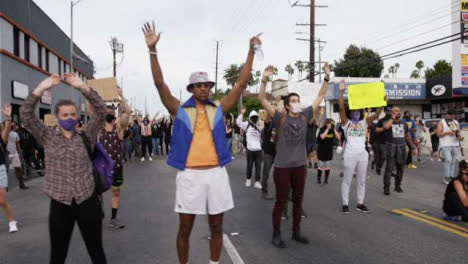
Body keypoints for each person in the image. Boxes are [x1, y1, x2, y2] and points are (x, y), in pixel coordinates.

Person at [142, 21, 258, 264]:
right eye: (199, 85)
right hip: (190, 177)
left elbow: (241, 84)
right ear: (191, 88)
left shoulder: (219, 108)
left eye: (207, 84)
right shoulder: (179, 109)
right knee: (185, 228)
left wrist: (250, 52)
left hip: (216, 174)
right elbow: (159, 84)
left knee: (217, 226)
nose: (204, 88)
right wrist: (152, 50)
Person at [21, 73, 107, 263]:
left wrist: (82, 87)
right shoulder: (47, 135)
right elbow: (26, 115)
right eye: (65, 115)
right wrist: (42, 87)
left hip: (87, 201)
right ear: (57, 117)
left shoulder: (87, 135)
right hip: (60, 204)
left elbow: (101, 112)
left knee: (97, 253)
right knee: (58, 256)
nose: (69, 118)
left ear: (77, 117)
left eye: (72, 114)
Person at [258, 63, 330, 248]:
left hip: (299, 166)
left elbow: (321, 96)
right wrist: (265, 79)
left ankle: (296, 232)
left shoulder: (306, 116)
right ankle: (276, 234)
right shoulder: (279, 117)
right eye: (294, 101)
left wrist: (327, 76)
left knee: (298, 200)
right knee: (280, 201)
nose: (297, 103)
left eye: (298, 100)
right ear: (287, 105)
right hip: (282, 166)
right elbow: (261, 99)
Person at [338, 80, 384, 214]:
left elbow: (376, 115)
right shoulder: (346, 123)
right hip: (350, 154)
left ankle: (360, 203)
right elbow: (341, 108)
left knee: (361, 180)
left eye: (359, 111)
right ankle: (345, 203)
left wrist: (382, 102)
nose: (357, 113)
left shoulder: (365, 122)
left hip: (363, 154)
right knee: (347, 180)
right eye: (354, 111)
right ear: (350, 112)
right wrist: (341, 92)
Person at [98, 88, 130, 229]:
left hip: (116, 167)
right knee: (97, 192)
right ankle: (98, 213)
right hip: (101, 168)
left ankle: (113, 218)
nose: (110, 113)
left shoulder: (119, 128)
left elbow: (127, 112)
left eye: (112, 111)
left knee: (115, 192)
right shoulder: (98, 129)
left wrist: (121, 96)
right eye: (107, 111)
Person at [378, 106, 415, 195]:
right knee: (389, 168)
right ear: (391, 113)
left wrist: (413, 147)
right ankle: (386, 188)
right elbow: (386, 127)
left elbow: (407, 136)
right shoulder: (388, 122)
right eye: (395, 111)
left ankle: (397, 186)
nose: (397, 112)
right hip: (391, 148)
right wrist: (392, 118)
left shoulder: (404, 123)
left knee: (400, 168)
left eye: (398, 111)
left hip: (402, 148)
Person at [0, 104, 18, 233]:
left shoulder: (1, 139)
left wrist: (8, 119)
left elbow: (5, 133)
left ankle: (12, 221)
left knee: (1, 200)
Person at [237, 107, 263, 189]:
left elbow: (265, 129)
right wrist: (242, 113)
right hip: (250, 150)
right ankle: (248, 179)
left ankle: (257, 181)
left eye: (256, 117)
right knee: (249, 165)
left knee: (258, 166)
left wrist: (263, 118)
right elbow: (238, 122)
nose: (254, 119)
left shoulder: (259, 126)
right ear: (250, 118)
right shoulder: (246, 124)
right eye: (253, 117)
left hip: (259, 150)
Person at [437, 108, 464, 184]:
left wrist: (460, 137)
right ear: (447, 115)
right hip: (446, 145)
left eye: (453, 115)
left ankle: (451, 177)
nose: (452, 117)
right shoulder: (442, 122)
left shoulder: (456, 122)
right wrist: (447, 133)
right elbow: (438, 134)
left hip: (454, 144)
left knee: (453, 161)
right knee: (448, 160)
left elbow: (458, 132)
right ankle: (446, 177)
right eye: (451, 115)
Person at [316, 119, 341, 184]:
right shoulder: (322, 129)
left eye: (333, 124)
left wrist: (334, 129)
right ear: (327, 123)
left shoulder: (333, 130)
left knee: (327, 165)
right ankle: (319, 178)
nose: (331, 125)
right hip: (321, 149)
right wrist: (327, 129)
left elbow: (339, 137)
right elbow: (322, 137)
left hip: (329, 150)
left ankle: (326, 179)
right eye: (331, 124)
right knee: (321, 165)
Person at [8, 122, 28, 189]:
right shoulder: (3, 133)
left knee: (18, 168)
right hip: (6, 154)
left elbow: (17, 144)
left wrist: (19, 154)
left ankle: (21, 184)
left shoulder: (15, 134)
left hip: (14, 153)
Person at [260, 112, 276, 200]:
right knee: (266, 173)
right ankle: (264, 192)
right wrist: (270, 110)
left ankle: (286, 193)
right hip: (268, 152)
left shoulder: (281, 124)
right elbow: (266, 119)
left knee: (281, 174)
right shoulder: (269, 124)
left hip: (278, 153)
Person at [372, 108, 391, 175]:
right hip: (382, 141)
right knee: (383, 157)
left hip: (392, 141)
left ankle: (391, 171)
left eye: (390, 111)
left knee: (392, 157)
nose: (388, 112)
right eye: (387, 111)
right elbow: (376, 130)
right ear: (385, 112)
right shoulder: (381, 120)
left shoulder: (394, 120)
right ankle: (378, 167)